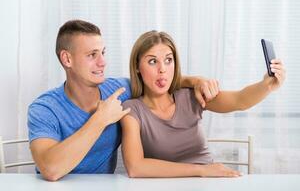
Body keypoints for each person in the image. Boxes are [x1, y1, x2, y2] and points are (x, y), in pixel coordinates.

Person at [27, 20, 219, 181]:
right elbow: (50, 169)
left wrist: (195, 81)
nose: (103, 62)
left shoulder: (121, 90)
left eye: (103, 53)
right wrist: (100, 119)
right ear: (67, 59)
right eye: (92, 55)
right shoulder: (44, 108)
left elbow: (157, 79)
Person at [121, 30, 286, 178]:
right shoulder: (132, 110)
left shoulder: (192, 96)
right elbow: (136, 167)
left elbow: (240, 100)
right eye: (152, 62)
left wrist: (267, 85)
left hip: (209, 183)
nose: (162, 69)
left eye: (168, 60)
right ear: (137, 66)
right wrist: (201, 170)